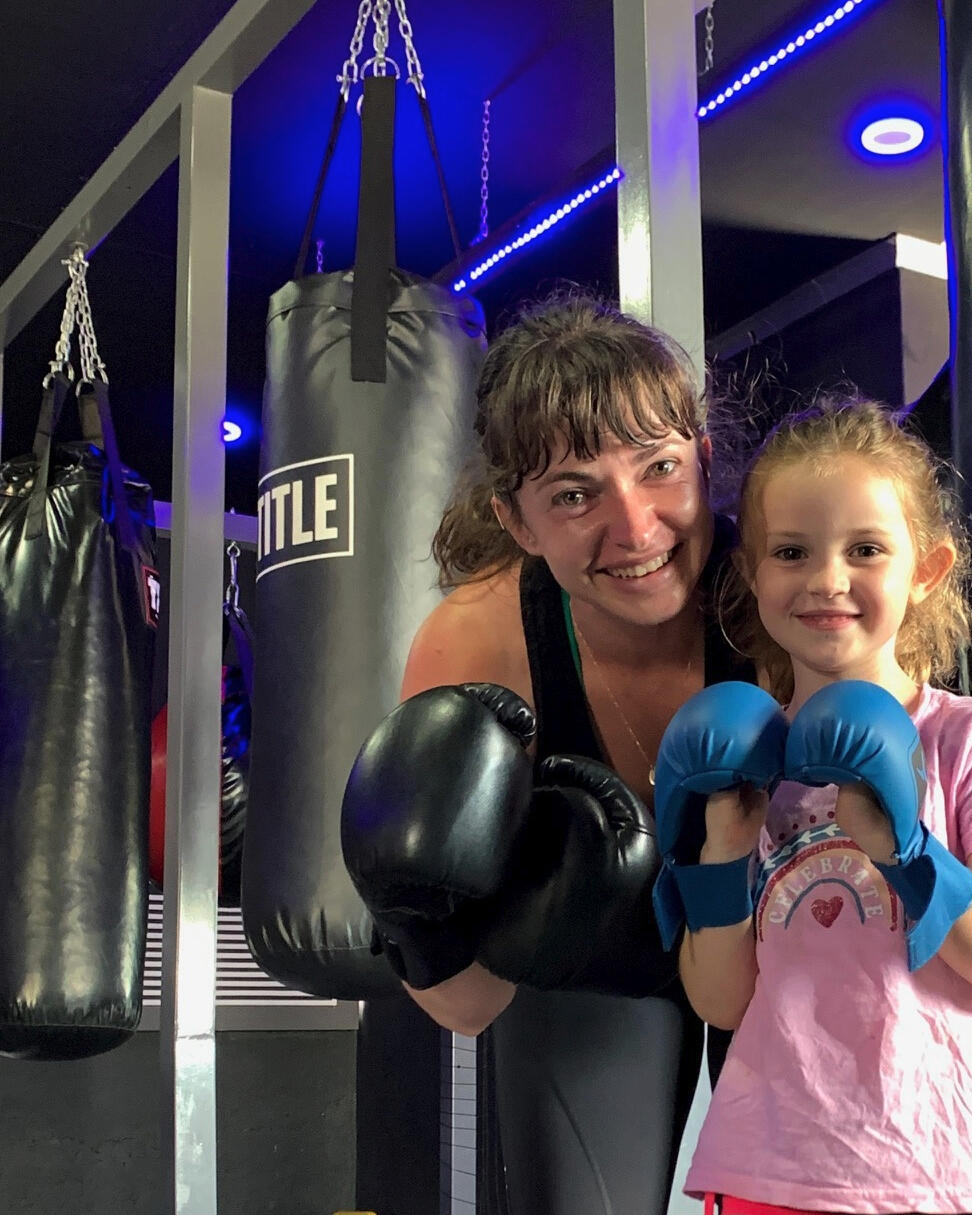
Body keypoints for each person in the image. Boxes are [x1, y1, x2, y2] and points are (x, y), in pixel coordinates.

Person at [340, 291, 749, 1215]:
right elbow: (468, 1006)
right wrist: (416, 913)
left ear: (703, 458)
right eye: (574, 493)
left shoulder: (779, 597)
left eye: (659, 467)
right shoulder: (480, 643)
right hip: (592, 973)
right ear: (518, 521)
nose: (635, 528)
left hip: (778, 946)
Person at [652, 398, 972, 1214]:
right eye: (791, 551)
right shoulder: (742, 761)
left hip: (945, 1167)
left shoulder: (970, 736)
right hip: (772, 1169)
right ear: (753, 574)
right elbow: (721, 1001)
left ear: (927, 570)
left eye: (866, 549)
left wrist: (908, 851)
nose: (827, 579)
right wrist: (723, 847)